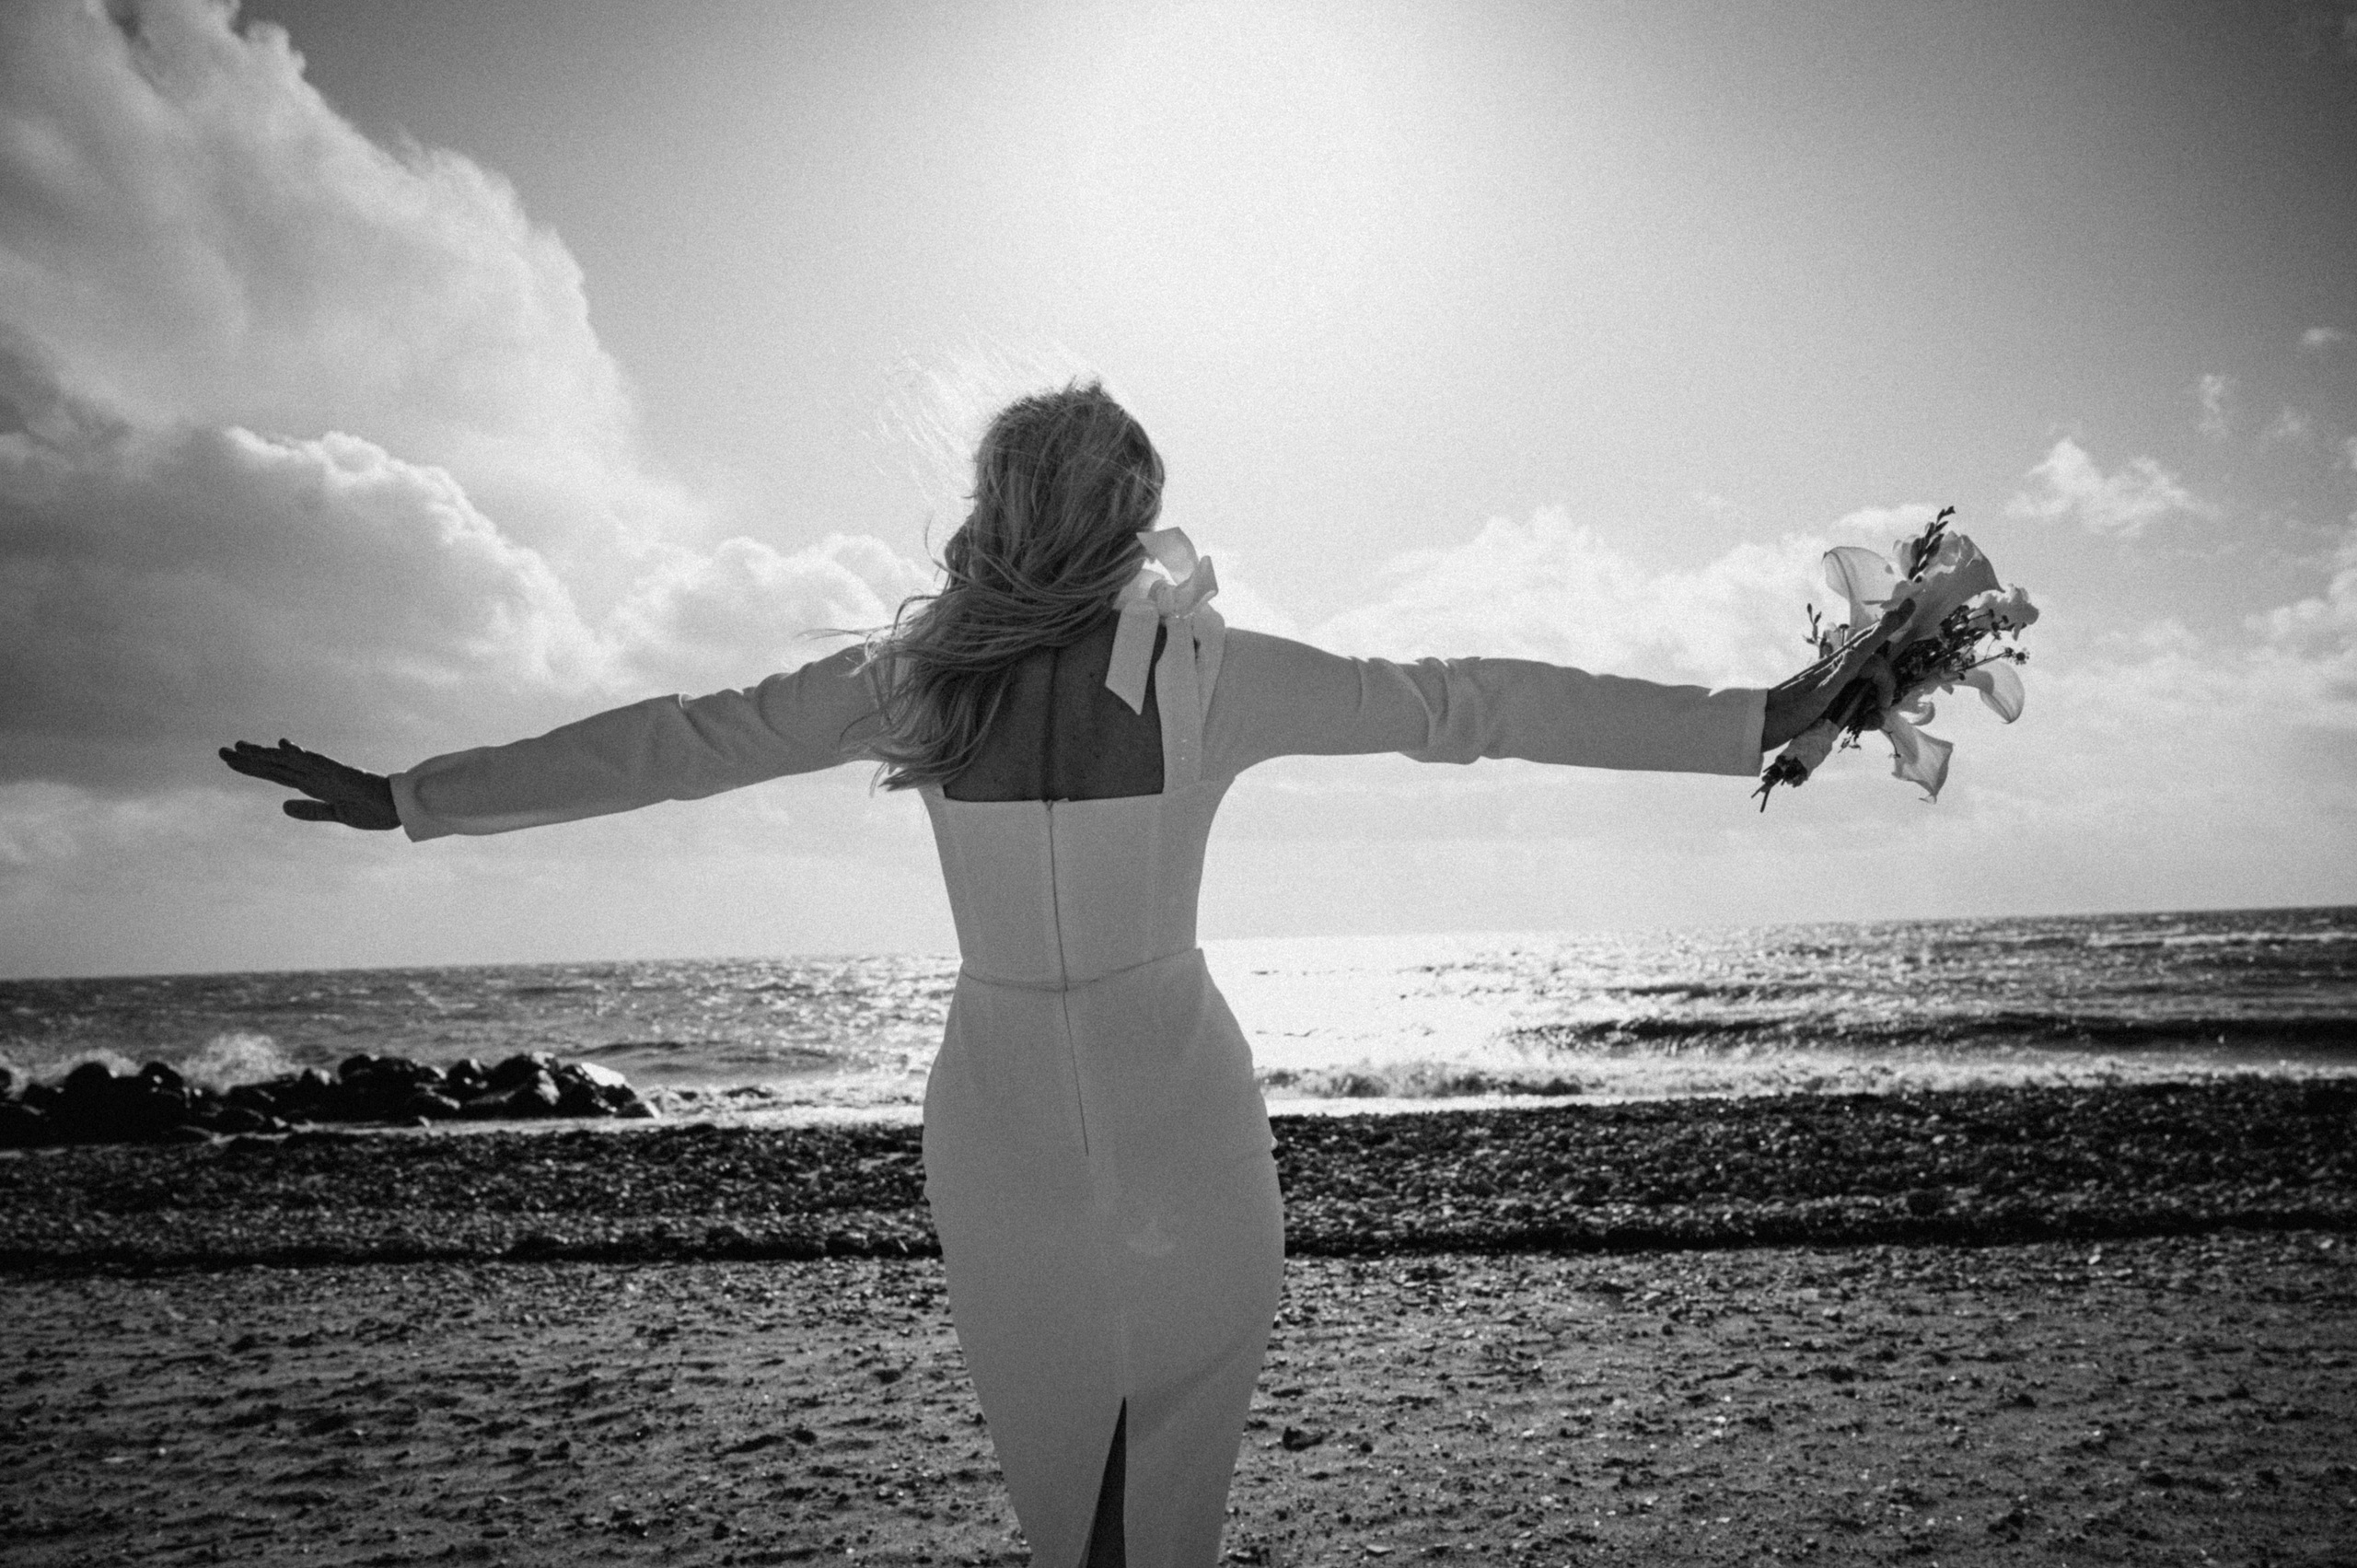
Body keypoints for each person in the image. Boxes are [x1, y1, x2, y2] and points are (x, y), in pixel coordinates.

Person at [222, 381, 1903, 1568]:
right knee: (1165, 1458)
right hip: (1173, 1089)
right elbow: (1468, 703)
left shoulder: (910, 684)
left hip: (1002, 1104)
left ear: (1001, 505)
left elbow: (671, 748)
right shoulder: (1202, 673)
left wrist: (410, 801)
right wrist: (1757, 716)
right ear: (1123, 512)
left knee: (1071, 1481)